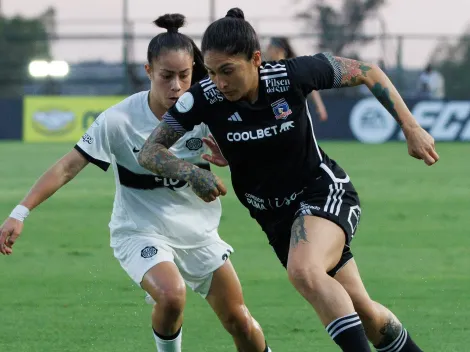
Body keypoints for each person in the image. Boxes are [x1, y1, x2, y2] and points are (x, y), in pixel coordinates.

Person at [137, 7, 440, 352]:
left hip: (322, 191)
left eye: (228, 71)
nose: (219, 82)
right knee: (362, 310)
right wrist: (189, 172)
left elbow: (367, 72)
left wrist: (410, 127)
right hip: (274, 219)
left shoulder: (291, 75)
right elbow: (150, 151)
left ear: (255, 59)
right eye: (210, 71)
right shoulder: (203, 98)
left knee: (304, 270)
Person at [0, 14, 272, 352]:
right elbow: (67, 168)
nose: (176, 86)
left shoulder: (208, 112)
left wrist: (232, 156)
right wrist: (19, 212)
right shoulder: (119, 120)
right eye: (166, 76)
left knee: (239, 321)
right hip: (139, 230)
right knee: (172, 296)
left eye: (184, 76)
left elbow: (255, 152)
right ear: (148, 73)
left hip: (198, 234)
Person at [266, 36, 328, 121]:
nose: (268, 50)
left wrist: (320, 106)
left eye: (270, 47)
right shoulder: (269, 70)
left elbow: (311, 85)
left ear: (278, 50)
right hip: (279, 116)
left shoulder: (293, 68)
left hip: (295, 117)